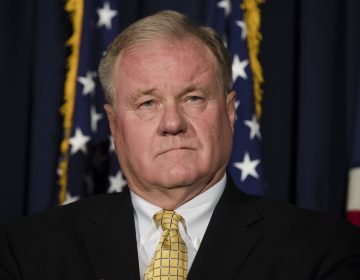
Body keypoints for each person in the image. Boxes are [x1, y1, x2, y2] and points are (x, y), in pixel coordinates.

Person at [0, 10, 359, 280]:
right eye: (147, 103)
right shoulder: (27, 253)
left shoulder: (325, 253)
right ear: (114, 124)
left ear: (231, 113)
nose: (172, 124)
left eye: (193, 98)